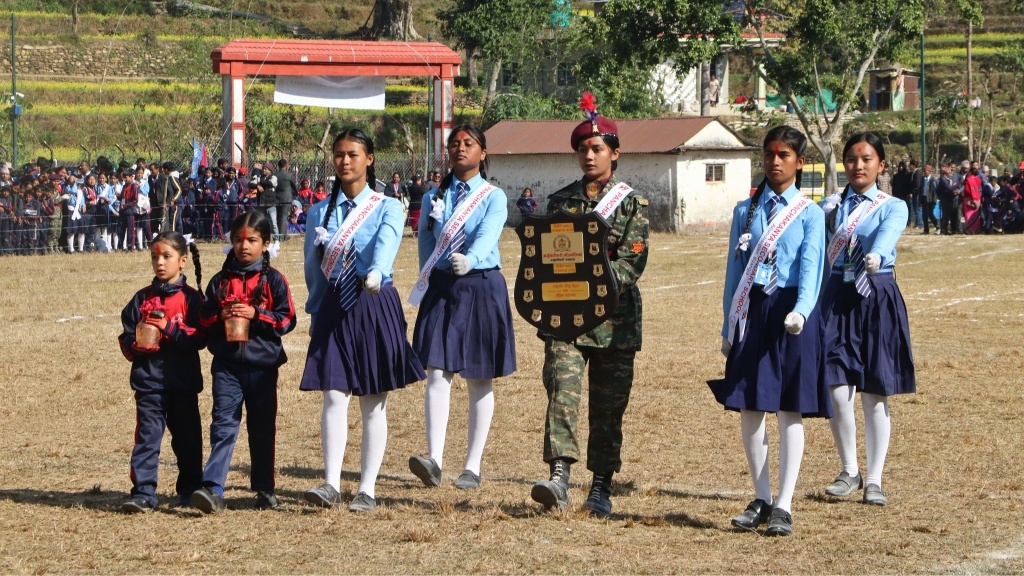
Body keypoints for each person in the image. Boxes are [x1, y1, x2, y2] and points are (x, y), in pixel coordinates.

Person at [530, 94, 649, 517]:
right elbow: (545, 261)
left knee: (607, 407)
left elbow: (631, 262)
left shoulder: (631, 203)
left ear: (614, 153)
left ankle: (600, 485)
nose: (589, 155)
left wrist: (590, 280)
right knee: (561, 393)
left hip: (614, 323)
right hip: (566, 319)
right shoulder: (560, 202)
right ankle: (559, 476)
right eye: (582, 149)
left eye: (597, 148)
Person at [709, 125, 828, 537]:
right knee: (751, 404)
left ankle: (784, 504)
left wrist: (801, 311)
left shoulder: (810, 213)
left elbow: (812, 267)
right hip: (753, 308)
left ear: (799, 161)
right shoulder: (746, 210)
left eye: (784, 155)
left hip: (791, 312)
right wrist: (729, 324)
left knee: (789, 407)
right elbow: (734, 272)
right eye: (769, 154)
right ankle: (760, 497)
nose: (775, 162)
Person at [300, 129, 424, 512]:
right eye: (339, 154)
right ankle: (330, 483)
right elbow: (312, 269)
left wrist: (378, 271)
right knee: (333, 394)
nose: (345, 161)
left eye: (353, 154)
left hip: (373, 301)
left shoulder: (387, 206)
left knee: (372, 400)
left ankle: (367, 488)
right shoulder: (319, 211)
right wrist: (315, 309)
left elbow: (387, 242)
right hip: (334, 306)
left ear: (369, 159)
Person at [408, 125, 516, 491]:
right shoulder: (432, 197)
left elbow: (488, 234)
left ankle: (472, 465)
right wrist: (426, 279)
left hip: (481, 284)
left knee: (479, 376)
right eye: (454, 144)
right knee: (437, 371)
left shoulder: (493, 196)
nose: (460, 149)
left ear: (483, 153)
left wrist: (470, 259)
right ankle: (434, 460)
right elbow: (426, 243)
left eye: (468, 144)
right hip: (442, 286)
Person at [819, 132, 916, 507]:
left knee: (875, 392)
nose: (858, 166)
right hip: (836, 295)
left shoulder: (893, 206)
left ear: (881, 165)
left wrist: (876, 254)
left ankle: (874, 478)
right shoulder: (830, 206)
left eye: (866, 159)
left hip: (876, 294)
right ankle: (849, 470)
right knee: (836, 386)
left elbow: (887, 237)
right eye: (851, 159)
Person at [191, 211, 297, 513]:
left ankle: (265, 489)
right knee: (223, 424)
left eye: (252, 240)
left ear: (266, 243)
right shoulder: (220, 281)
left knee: (262, 427)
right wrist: (219, 316)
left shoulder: (274, 280)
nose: (244, 245)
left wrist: (257, 315)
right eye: (238, 239)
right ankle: (213, 488)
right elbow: (202, 319)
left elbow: (287, 320)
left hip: (263, 367)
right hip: (226, 366)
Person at [117, 231, 206, 512]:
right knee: (147, 438)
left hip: (183, 384)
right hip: (149, 384)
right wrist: (136, 345)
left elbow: (199, 338)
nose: (160, 262)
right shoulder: (141, 298)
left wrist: (169, 328)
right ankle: (143, 492)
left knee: (188, 440)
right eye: (155, 257)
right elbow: (126, 335)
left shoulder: (192, 299)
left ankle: (190, 489)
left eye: (167, 256)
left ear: (182, 261)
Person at [963, 162, 983, 234]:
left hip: (969, 199)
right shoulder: (979, 179)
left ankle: (970, 229)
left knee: (969, 214)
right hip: (977, 198)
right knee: (976, 215)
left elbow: (967, 190)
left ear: (970, 172)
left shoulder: (968, 179)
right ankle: (976, 229)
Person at [920, 164, 937, 235]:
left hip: (930, 200)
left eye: (926, 170)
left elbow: (934, 192)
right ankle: (926, 230)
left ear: (930, 171)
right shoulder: (922, 179)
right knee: (924, 215)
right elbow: (921, 189)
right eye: (924, 170)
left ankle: (938, 226)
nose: (924, 172)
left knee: (930, 214)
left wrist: (934, 200)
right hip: (924, 198)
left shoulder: (933, 180)